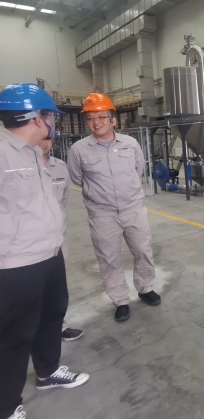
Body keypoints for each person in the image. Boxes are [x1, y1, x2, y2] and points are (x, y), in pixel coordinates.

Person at [0, 83, 89, 419]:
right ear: (38, 118)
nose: (54, 122)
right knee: (15, 334)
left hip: (50, 254)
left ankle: (48, 371)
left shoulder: (33, 152)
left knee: (52, 315)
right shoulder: (3, 152)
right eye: (51, 115)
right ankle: (6, 405)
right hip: (16, 264)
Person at [67, 93, 160, 323]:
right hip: (102, 215)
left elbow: (138, 170)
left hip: (133, 209)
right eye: (90, 118)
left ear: (113, 120)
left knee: (143, 251)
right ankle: (120, 300)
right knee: (108, 259)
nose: (96, 122)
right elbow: (77, 179)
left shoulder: (130, 144)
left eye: (101, 117)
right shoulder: (78, 150)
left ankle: (145, 288)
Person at [39, 137, 84, 342]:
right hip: (25, 242)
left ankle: (59, 326)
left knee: (56, 286)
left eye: (47, 137)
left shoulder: (60, 167)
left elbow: (62, 200)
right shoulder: (17, 166)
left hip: (57, 238)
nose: (42, 142)